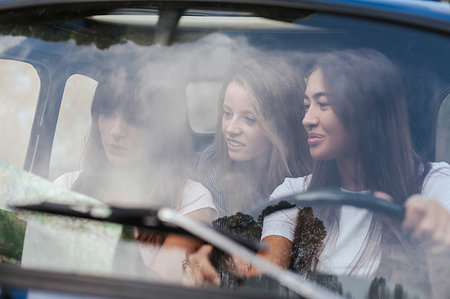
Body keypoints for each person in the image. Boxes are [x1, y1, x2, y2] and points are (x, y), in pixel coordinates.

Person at [259, 49, 450, 297]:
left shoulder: (433, 185)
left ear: (365, 111)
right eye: (307, 106)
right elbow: (263, 283)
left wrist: (439, 241)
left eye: (323, 104)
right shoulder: (294, 195)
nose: (307, 119)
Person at [53, 72, 217, 279]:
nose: (116, 130)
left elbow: (161, 286)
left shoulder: (192, 201)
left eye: (134, 120)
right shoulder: (67, 186)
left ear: (163, 131)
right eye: (108, 113)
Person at [186, 58, 312, 285]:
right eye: (227, 113)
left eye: (249, 119)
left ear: (280, 128)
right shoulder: (211, 165)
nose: (231, 129)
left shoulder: (302, 188)